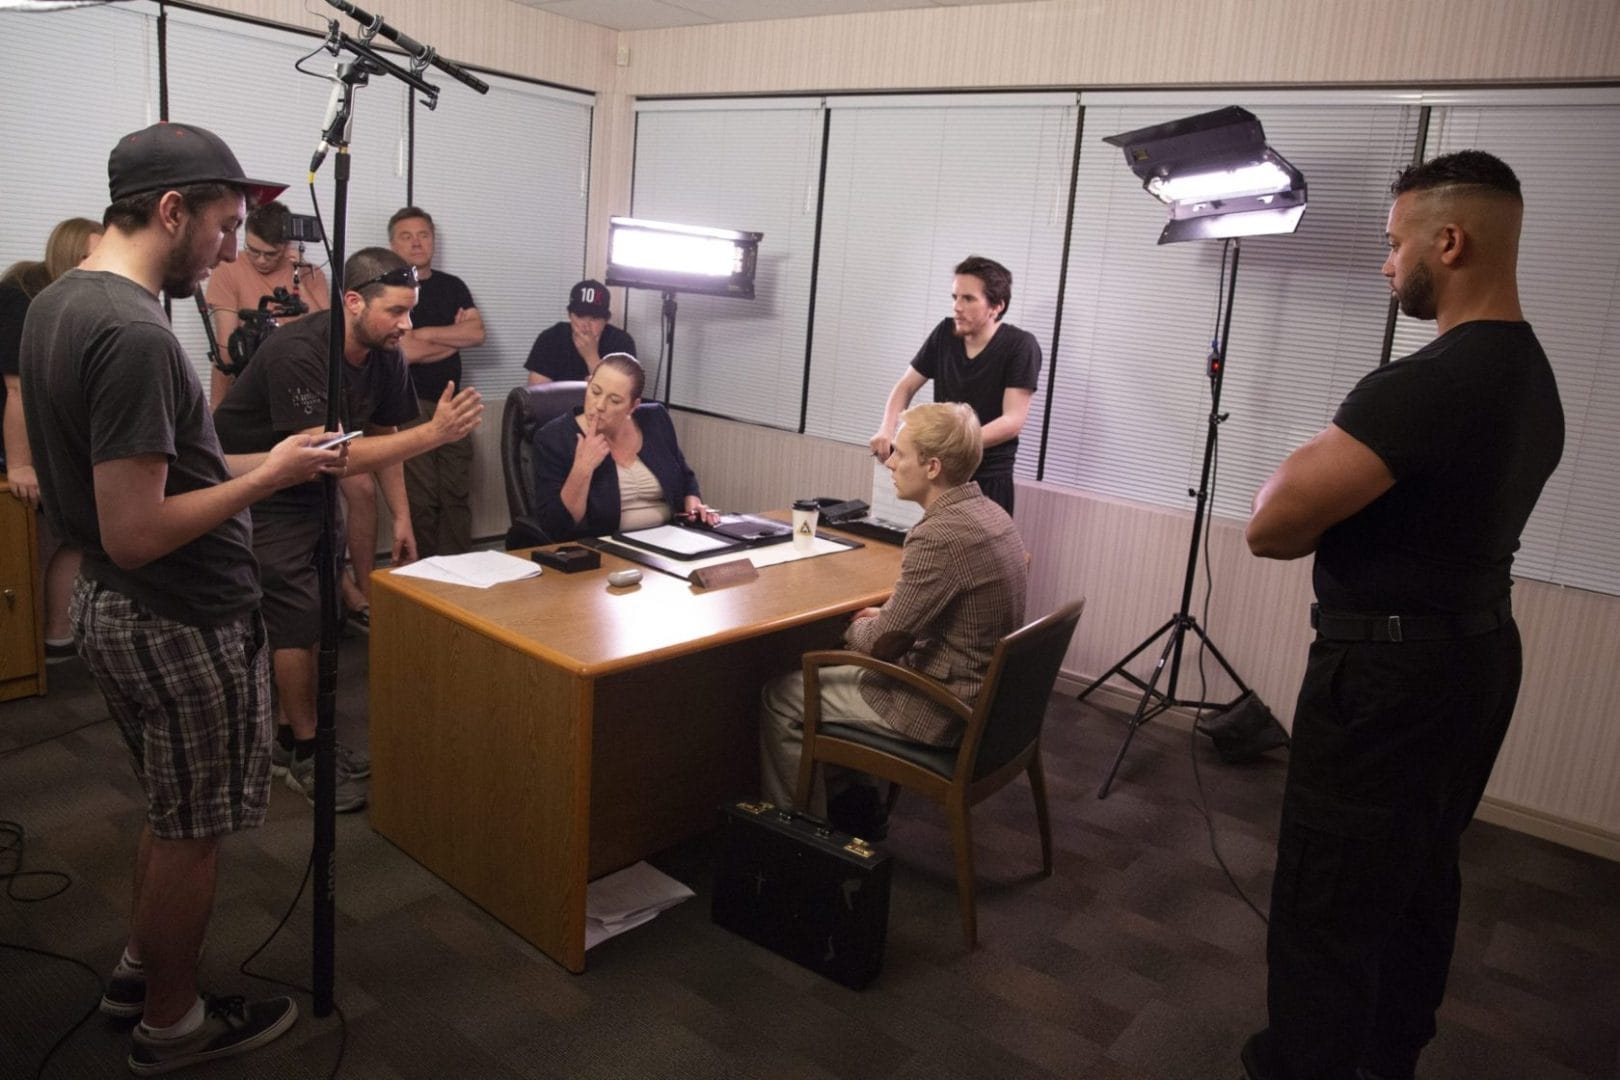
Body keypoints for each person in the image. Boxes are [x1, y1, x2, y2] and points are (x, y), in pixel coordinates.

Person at [19, 121, 346, 1074]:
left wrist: (267, 464)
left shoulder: (59, 301)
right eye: (224, 226)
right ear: (171, 210)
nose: (233, 251)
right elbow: (138, 526)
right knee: (193, 831)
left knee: (173, 814)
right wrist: (269, 476)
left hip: (120, 609)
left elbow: (157, 475)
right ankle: (172, 1023)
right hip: (176, 615)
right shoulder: (134, 336)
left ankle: (139, 967)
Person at [1241, 150, 1564, 1080]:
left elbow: (1272, 526)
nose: (1387, 264)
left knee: (1329, 897)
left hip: (1386, 684)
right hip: (1473, 659)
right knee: (1419, 873)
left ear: (1448, 240)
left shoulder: (1427, 385)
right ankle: (1390, 1056)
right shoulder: (1532, 374)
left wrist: (1311, 452)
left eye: (1394, 244)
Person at [214, 247, 484, 813]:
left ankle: (289, 740)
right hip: (258, 487)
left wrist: (401, 517)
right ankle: (309, 753)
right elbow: (329, 457)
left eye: (411, 312)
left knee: (317, 618)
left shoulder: (385, 354)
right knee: (294, 622)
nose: (406, 326)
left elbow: (383, 433)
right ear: (354, 301)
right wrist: (433, 435)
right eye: (396, 312)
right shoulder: (299, 351)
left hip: (308, 489)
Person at [760, 402, 1028, 834]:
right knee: (848, 662)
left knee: (785, 694)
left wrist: (855, 625)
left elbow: (884, 644)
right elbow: (930, 611)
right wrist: (883, 619)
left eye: (900, 454)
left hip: (943, 708)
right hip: (988, 702)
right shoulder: (992, 514)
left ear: (933, 466)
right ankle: (857, 804)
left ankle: (800, 839)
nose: (890, 462)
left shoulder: (938, 534)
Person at [2, 216, 103, 663]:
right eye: (89, 255)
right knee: (28, 544)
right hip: (13, 439)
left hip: (45, 438)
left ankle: (57, 639)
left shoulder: (75, 305)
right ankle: (22, 645)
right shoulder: (21, 300)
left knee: (73, 533)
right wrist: (20, 464)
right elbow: (17, 389)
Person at [868, 256, 1039, 517]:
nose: (957, 307)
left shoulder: (1020, 346)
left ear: (996, 306)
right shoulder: (944, 333)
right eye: (955, 297)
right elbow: (905, 386)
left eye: (968, 299)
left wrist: (954, 445)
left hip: (988, 478)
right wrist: (887, 429)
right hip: (942, 477)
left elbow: (1013, 420)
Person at [529, 352, 714, 542]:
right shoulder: (554, 438)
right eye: (595, 391)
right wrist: (582, 468)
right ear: (589, 382)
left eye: (614, 400)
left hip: (670, 542)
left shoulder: (655, 419)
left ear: (633, 406)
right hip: (604, 550)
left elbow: (685, 477)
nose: (599, 405)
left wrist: (693, 504)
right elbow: (557, 526)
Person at [388, 206, 484, 557]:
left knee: (456, 494)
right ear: (392, 243)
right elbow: (404, 352)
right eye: (406, 236)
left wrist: (426, 333)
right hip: (408, 406)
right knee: (422, 499)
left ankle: (460, 573)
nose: (416, 243)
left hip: (455, 404)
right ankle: (425, 577)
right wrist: (449, 337)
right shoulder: (390, 289)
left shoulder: (452, 286)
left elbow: (476, 333)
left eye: (423, 235)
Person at [203, 199, 329, 406]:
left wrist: (296, 275)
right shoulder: (228, 268)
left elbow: (325, 334)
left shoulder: (311, 274)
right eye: (253, 250)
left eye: (271, 254)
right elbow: (226, 347)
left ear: (287, 245)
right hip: (245, 372)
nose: (260, 260)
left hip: (301, 377)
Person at [524, 278, 637, 384]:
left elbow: (619, 396)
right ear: (569, 315)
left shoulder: (621, 342)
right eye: (580, 316)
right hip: (559, 405)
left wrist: (591, 357)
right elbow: (536, 394)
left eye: (594, 318)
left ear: (606, 320)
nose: (586, 325)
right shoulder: (551, 338)